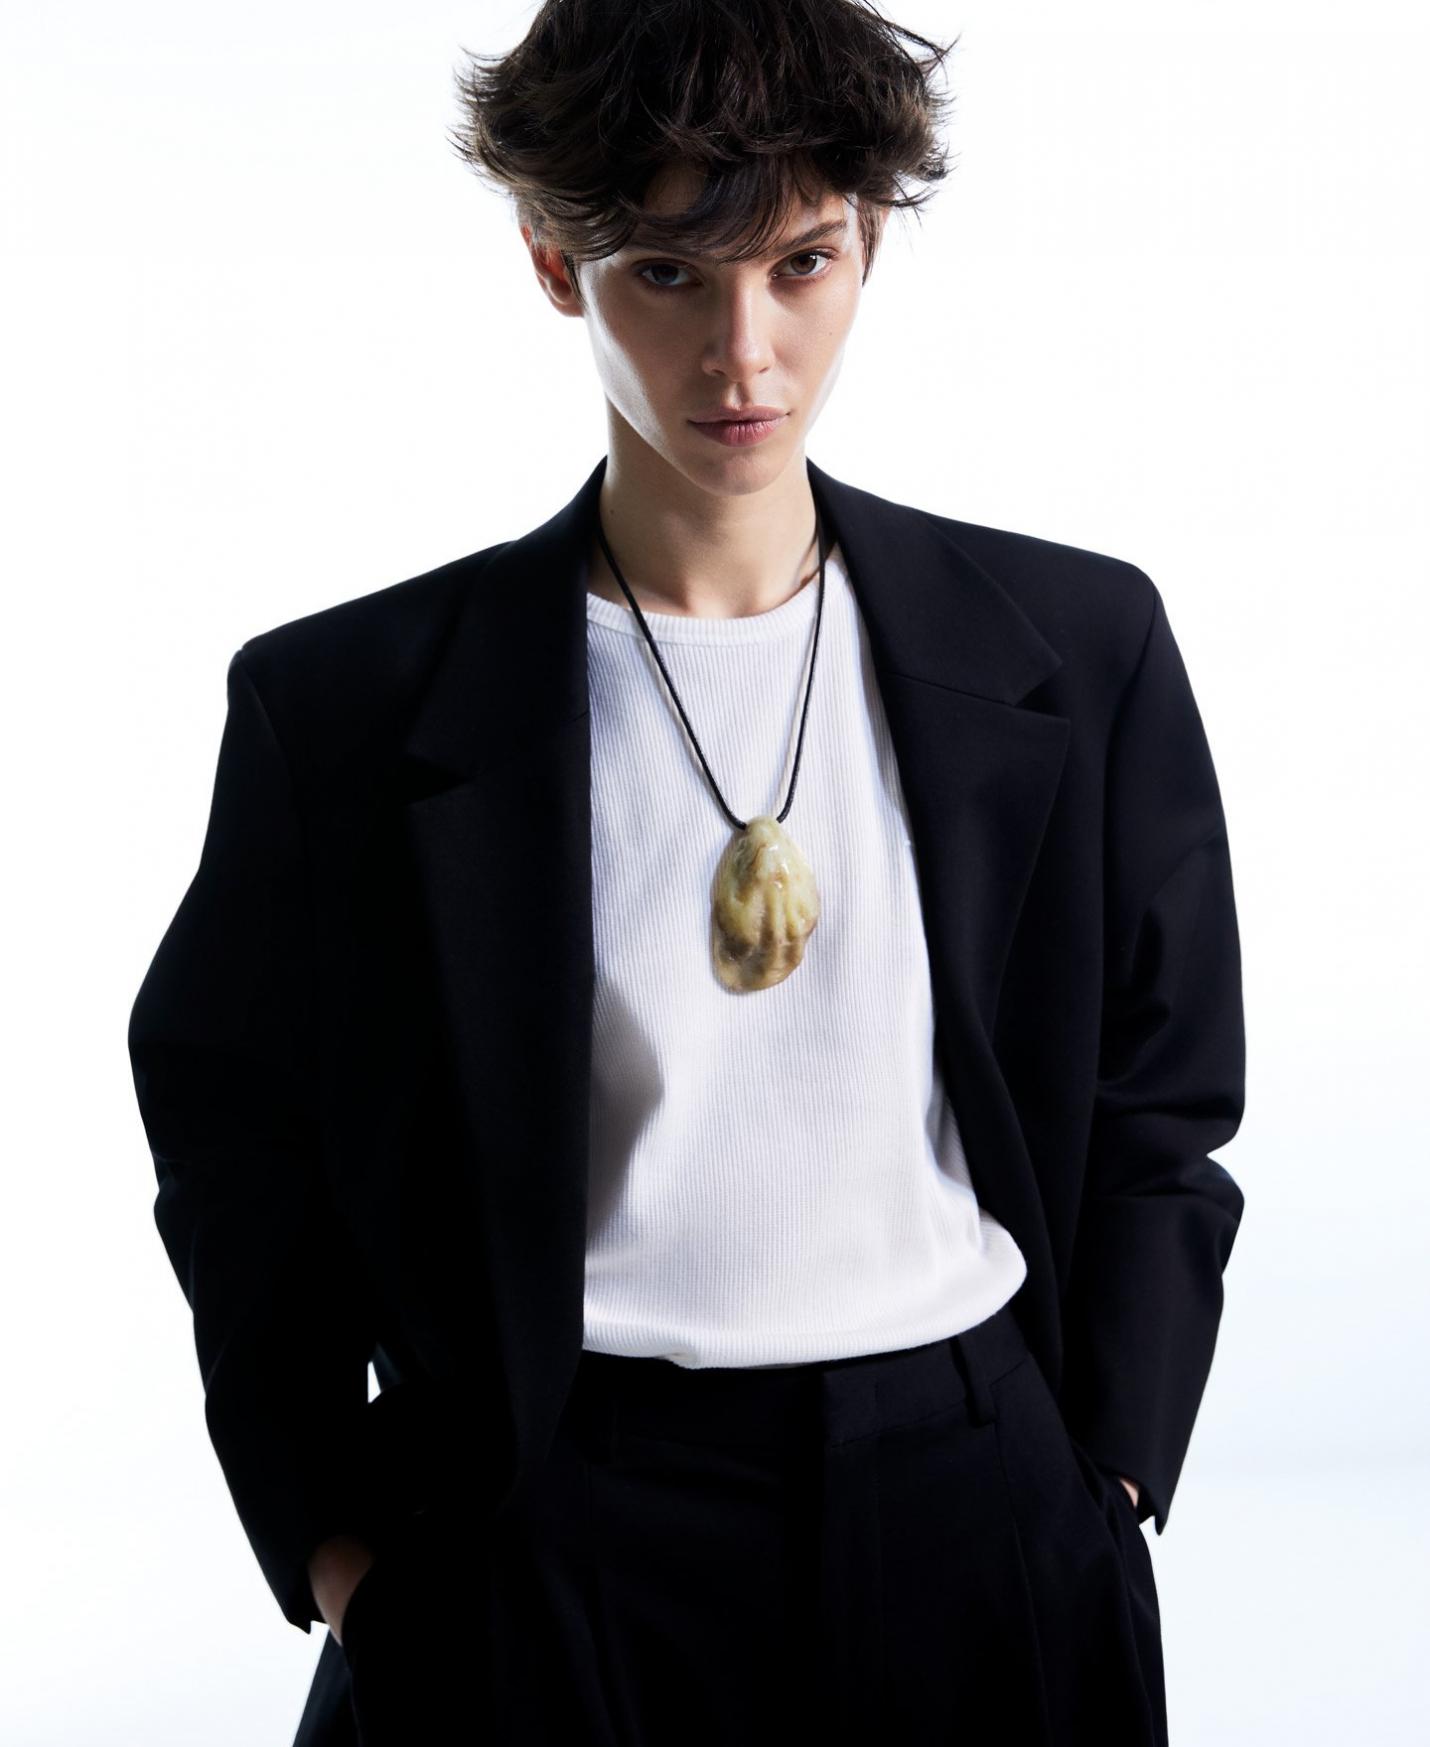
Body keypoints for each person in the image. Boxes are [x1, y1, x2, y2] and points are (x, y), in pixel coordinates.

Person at [126, 3, 1246, 1744]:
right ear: (550, 261)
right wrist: (344, 1554)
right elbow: (233, 1155)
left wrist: (1104, 1474)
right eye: (667, 273)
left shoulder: (1077, 644)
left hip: (973, 1500)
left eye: (801, 263)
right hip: (542, 1519)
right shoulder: (341, 708)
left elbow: (1159, 1097)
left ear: (868, 242)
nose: (744, 353)